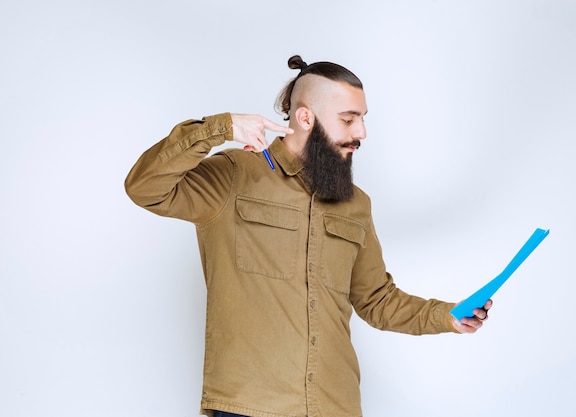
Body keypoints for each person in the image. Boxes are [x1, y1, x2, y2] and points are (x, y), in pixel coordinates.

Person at [125, 55, 492, 417]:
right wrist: (220, 128)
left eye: (362, 119)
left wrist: (449, 316)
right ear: (305, 117)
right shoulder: (234, 175)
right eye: (348, 119)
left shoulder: (356, 204)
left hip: (335, 406)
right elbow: (145, 187)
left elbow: (377, 300)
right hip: (252, 406)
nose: (361, 132)